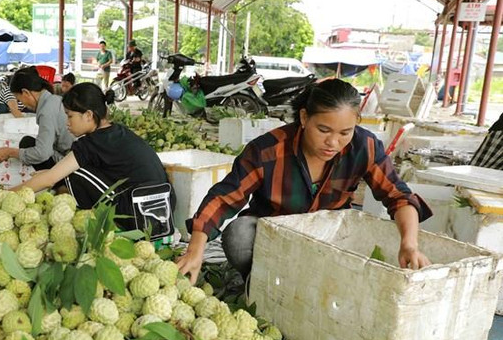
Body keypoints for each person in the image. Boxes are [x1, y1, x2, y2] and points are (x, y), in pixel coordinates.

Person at [176, 78, 433, 285]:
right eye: (323, 130)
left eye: (345, 132)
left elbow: (398, 196)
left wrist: (409, 244)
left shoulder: (363, 147)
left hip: (327, 238)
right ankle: (257, 280)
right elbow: (225, 197)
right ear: (303, 118)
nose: (333, 142)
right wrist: (195, 250)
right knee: (239, 235)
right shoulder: (268, 150)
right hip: (273, 235)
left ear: (356, 123)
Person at [10, 83, 174, 232]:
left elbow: (50, 179)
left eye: (70, 116)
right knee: (74, 170)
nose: (67, 123)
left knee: (75, 174)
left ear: (88, 115)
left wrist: (8, 194)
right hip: (162, 210)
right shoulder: (116, 132)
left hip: (137, 217)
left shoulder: (92, 143)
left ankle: (105, 229)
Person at [0, 67, 74, 171]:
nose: (22, 103)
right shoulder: (55, 100)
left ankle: (62, 186)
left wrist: (10, 152)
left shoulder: (46, 110)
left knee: (27, 143)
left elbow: (43, 153)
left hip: (71, 162)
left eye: (19, 99)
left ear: (26, 93)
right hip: (72, 154)